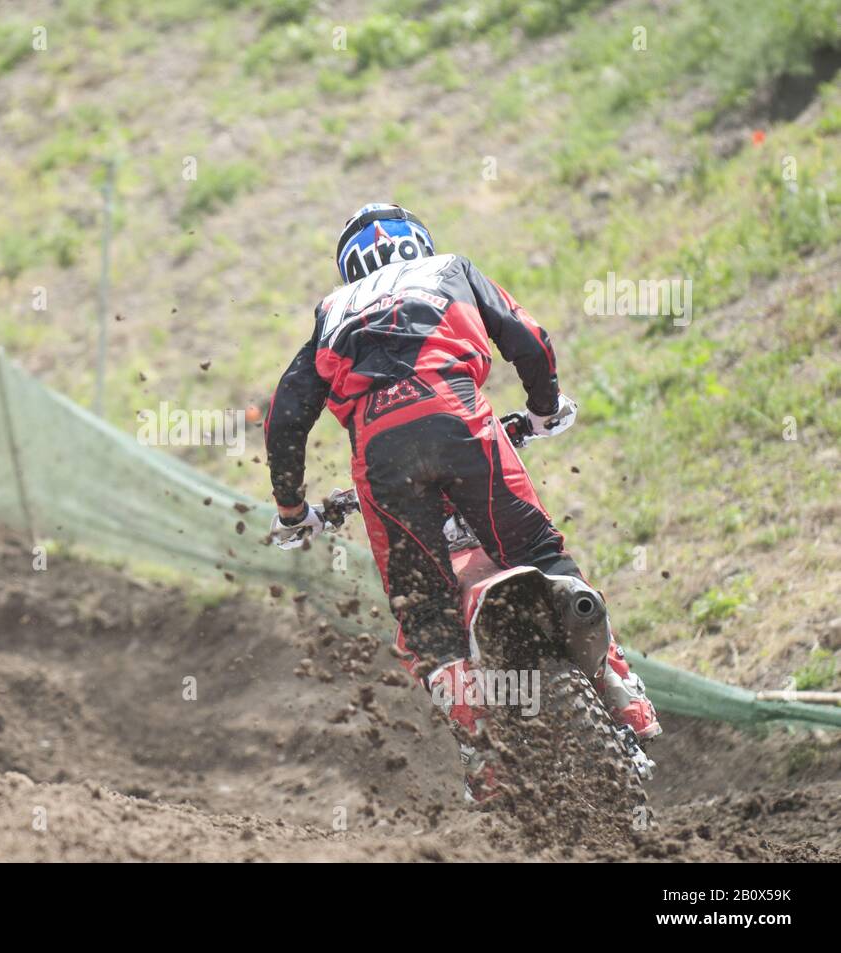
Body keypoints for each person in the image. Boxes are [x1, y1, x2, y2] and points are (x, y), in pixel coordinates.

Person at [264, 203, 660, 793]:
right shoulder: (450, 268)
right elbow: (528, 338)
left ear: (350, 268)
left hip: (381, 451)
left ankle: (482, 751)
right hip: (460, 415)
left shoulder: (333, 311)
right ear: (417, 243)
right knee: (539, 552)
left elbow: (285, 418)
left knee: (424, 612)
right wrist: (544, 409)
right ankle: (623, 692)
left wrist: (293, 511)